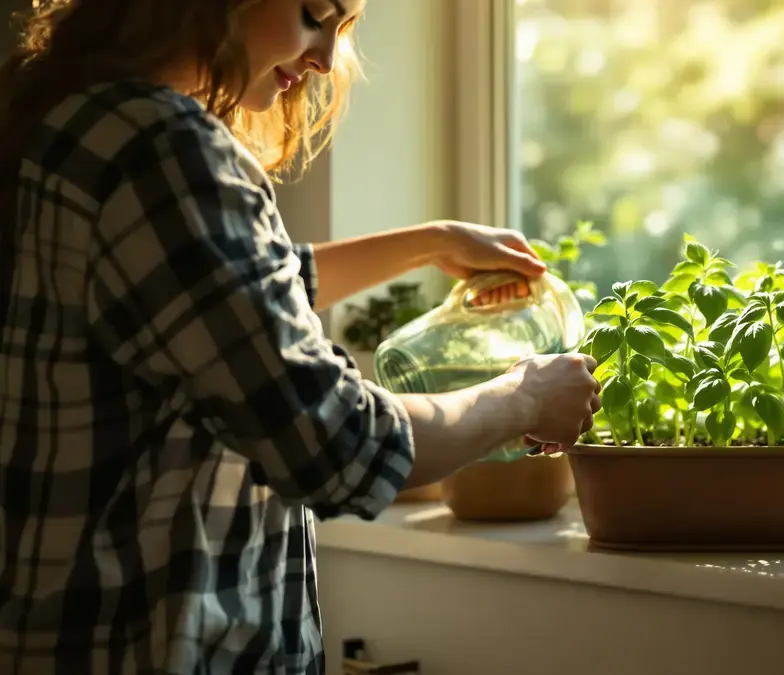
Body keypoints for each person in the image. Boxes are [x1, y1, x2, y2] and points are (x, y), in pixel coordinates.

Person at [0, 0, 601, 672]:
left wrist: (429, 243)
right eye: (315, 14)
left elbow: (218, 299)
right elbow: (333, 440)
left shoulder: (78, 122)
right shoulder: (163, 146)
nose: (323, 60)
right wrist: (523, 398)